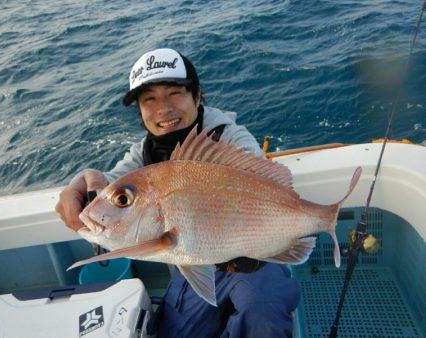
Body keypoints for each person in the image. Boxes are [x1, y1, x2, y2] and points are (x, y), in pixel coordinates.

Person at [56, 48, 300, 337]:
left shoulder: (230, 138)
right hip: (191, 262)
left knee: (261, 312)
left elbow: (259, 181)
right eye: (149, 99)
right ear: (140, 111)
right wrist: (82, 181)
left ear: (197, 95)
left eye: (175, 93)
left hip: (254, 255)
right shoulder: (142, 155)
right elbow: (112, 185)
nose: (163, 109)